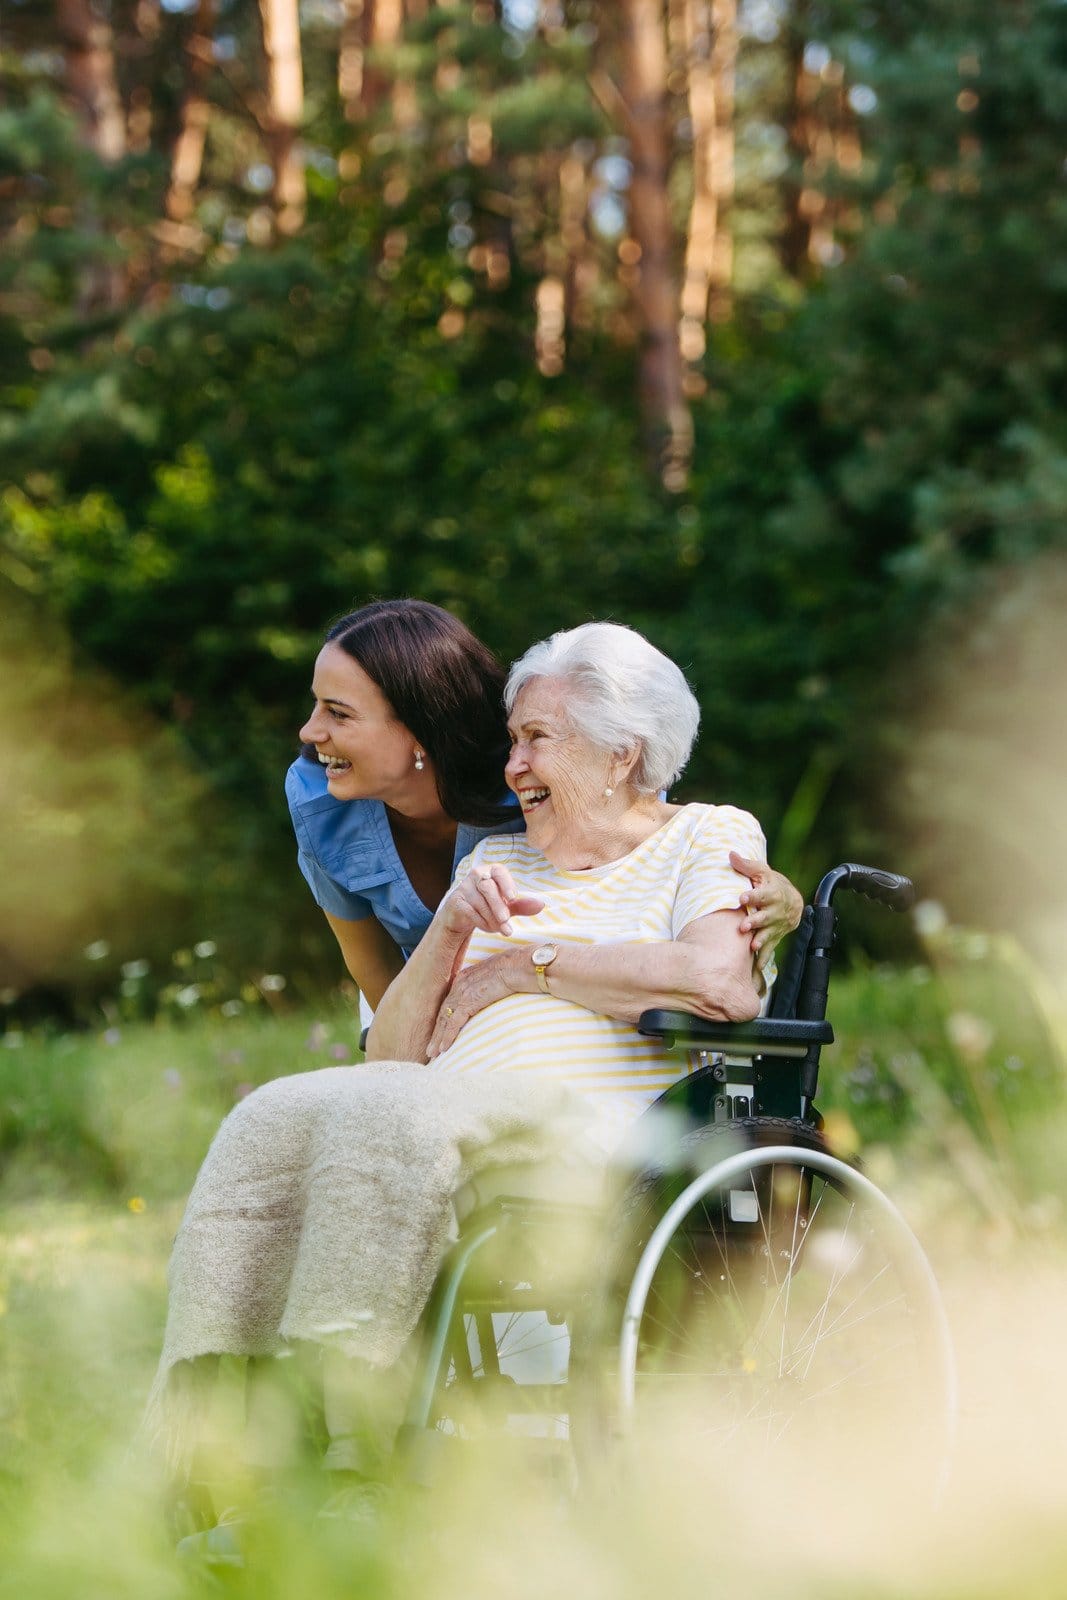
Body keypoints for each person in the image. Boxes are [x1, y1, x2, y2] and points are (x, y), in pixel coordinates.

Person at [151, 621, 792, 1530]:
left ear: (621, 757)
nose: (511, 762)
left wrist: (524, 966)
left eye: (536, 738)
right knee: (274, 1115)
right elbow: (391, 1060)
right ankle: (217, 1432)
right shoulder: (495, 859)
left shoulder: (708, 838)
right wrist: (454, 930)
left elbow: (719, 980)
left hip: (590, 1127)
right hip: (449, 1106)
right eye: (512, 736)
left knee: (401, 1124)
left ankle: (349, 1441)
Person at [287, 599, 801, 1022]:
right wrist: (423, 1059)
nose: (309, 732)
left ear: (420, 728)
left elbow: (644, 837)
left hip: (555, 1005)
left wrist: (779, 901)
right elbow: (371, 965)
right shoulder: (318, 799)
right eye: (317, 705)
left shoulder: (527, 777)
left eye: (338, 712)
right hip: (421, 1001)